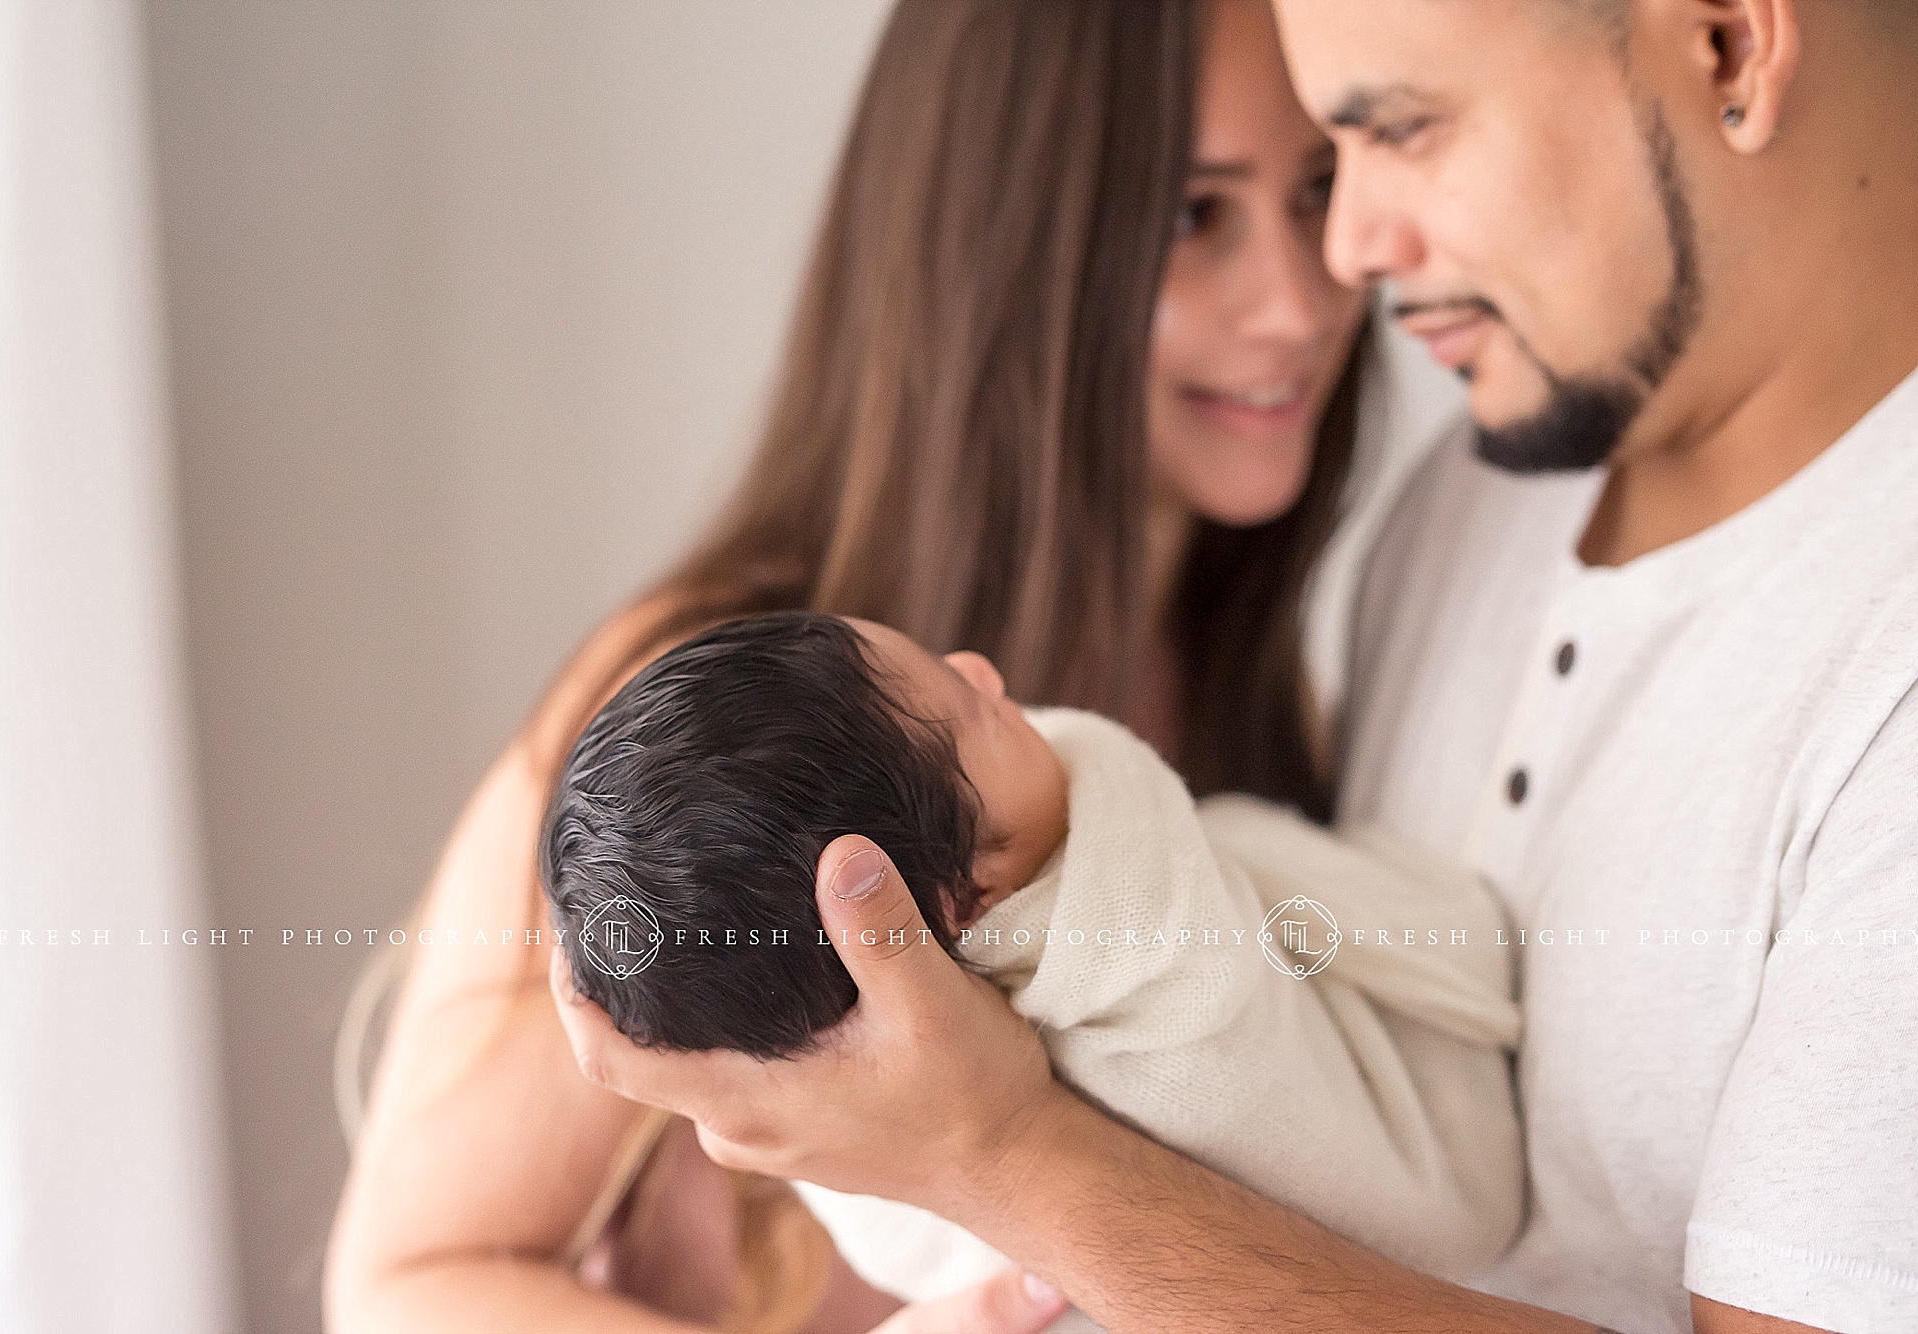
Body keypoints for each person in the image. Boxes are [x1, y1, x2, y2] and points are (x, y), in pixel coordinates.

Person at [554, 2, 1918, 1333]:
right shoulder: (1469, 505)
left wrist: (1003, 1153)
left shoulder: (1907, 661)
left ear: (1727, 42)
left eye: (1397, 131)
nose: (1344, 253)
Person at [325, 0, 1397, 1329]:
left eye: (1319, 189)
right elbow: (408, 1289)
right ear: (1004, 244)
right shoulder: (727, 720)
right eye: (1194, 218)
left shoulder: (1259, 709)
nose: (1305, 299)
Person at [545, 608, 1523, 1316]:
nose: (981, 668)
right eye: (982, 714)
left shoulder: (824, 1108)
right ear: (967, 900)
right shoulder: (1137, 932)